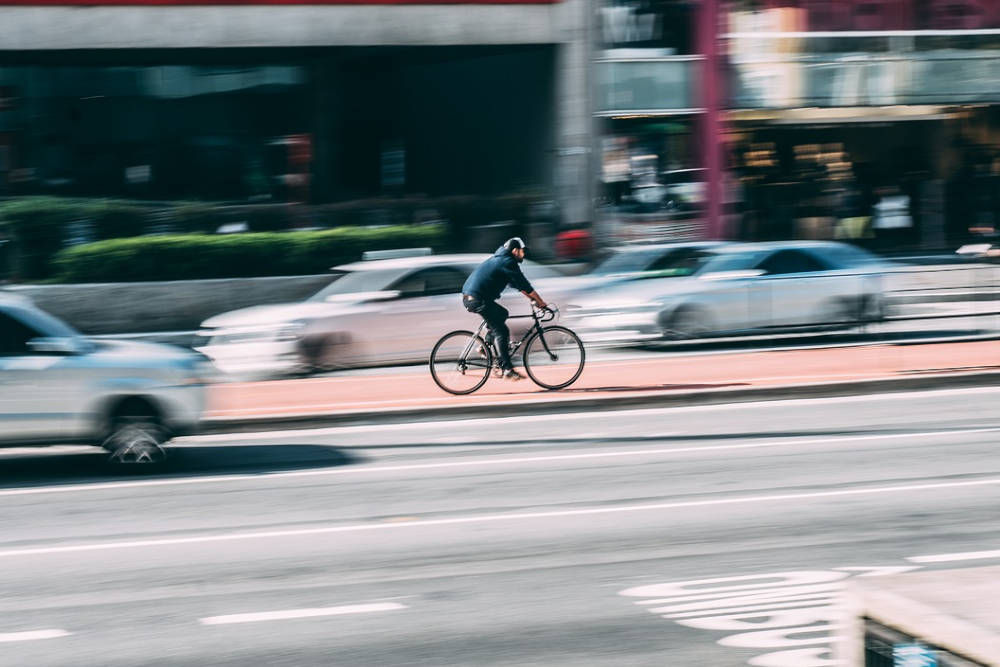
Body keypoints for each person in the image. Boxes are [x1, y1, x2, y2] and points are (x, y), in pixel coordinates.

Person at [461, 237, 549, 381]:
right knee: (502, 331)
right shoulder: (507, 262)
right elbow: (524, 284)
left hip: (474, 297)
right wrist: (541, 302)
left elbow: (519, 286)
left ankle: (485, 347)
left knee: (502, 313)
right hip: (477, 299)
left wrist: (533, 299)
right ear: (515, 251)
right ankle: (508, 369)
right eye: (522, 251)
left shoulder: (501, 260)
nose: (524, 254)